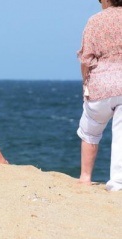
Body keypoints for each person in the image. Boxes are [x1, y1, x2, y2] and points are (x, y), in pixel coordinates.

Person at [76, 0, 122, 190]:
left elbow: (86, 58)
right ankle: (118, 183)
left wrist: (85, 83)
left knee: (90, 131)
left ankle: (85, 178)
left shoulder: (95, 21)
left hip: (101, 84)